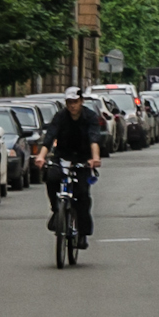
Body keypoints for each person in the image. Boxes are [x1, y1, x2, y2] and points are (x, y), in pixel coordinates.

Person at [43, 87, 108, 243]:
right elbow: (50, 136)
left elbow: (94, 138)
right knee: (51, 178)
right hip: (63, 157)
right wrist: (41, 156)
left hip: (83, 159)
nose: (72, 106)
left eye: (75, 102)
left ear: (81, 101)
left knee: (82, 194)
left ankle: (82, 232)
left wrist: (95, 158)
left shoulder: (90, 117)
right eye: (69, 102)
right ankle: (57, 210)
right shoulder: (60, 117)